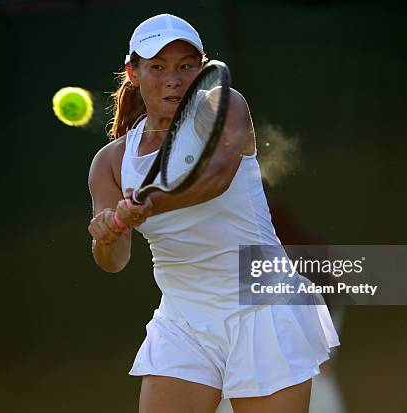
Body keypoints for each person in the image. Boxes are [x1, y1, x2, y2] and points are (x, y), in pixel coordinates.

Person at [87, 13, 340, 413]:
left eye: (186, 66)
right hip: (183, 320)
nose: (173, 78)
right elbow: (114, 261)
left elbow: (216, 177)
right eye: (157, 67)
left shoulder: (226, 106)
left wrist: (151, 204)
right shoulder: (110, 164)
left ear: (203, 71)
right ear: (132, 73)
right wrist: (107, 236)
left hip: (262, 307)